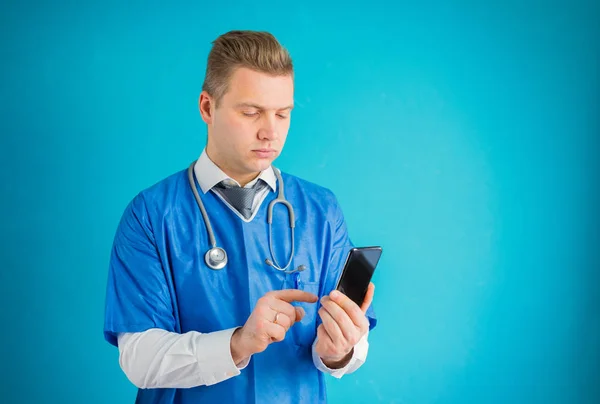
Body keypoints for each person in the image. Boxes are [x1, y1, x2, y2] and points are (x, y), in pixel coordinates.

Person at [103, 30, 377, 404]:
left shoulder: (321, 210)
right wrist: (238, 343)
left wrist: (340, 350)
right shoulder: (151, 215)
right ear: (207, 108)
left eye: (283, 114)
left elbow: (345, 354)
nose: (270, 132)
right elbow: (138, 359)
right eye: (251, 112)